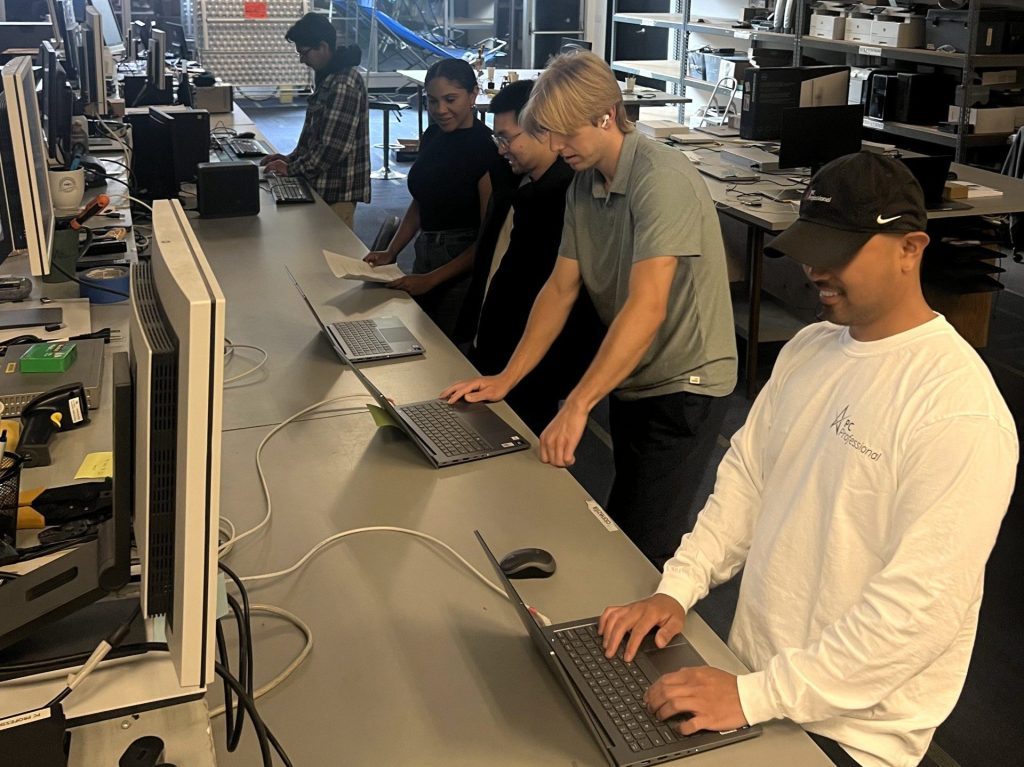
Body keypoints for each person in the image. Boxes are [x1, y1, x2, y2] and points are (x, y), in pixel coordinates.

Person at [597, 152, 1018, 767]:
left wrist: (755, 696)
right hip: (753, 683)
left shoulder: (958, 410)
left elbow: (918, 612)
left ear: (910, 248)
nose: (814, 269)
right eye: (810, 248)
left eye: (837, 252)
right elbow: (746, 484)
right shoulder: (809, 348)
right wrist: (677, 588)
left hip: (848, 734)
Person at [442, 52, 737, 565]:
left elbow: (647, 306)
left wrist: (577, 404)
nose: (557, 146)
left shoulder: (659, 179)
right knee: (622, 525)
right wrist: (508, 377)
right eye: (549, 134)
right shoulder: (584, 183)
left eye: (565, 133)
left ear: (606, 116)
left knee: (642, 542)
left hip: (685, 383)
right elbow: (560, 289)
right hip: (634, 374)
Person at [455, 79, 604, 435]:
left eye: (507, 138)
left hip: (535, 363)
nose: (501, 149)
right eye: (498, 139)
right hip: (495, 347)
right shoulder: (514, 182)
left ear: (542, 130)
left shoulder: (565, 197)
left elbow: (557, 293)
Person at [364, 59, 513, 342]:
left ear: (473, 94)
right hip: (425, 253)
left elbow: (487, 238)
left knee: (445, 347)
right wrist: (392, 251)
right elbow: (422, 201)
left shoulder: (486, 148)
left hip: (461, 267)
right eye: (432, 101)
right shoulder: (432, 135)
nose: (440, 110)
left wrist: (432, 279)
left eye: (450, 99)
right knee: (420, 337)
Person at [261, 13, 370, 230]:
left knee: (333, 250)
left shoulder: (343, 83)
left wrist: (291, 169)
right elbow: (315, 138)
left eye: (304, 52)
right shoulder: (329, 76)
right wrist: (289, 159)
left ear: (323, 47)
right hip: (322, 189)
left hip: (336, 195)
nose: (302, 60)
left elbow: (332, 148)